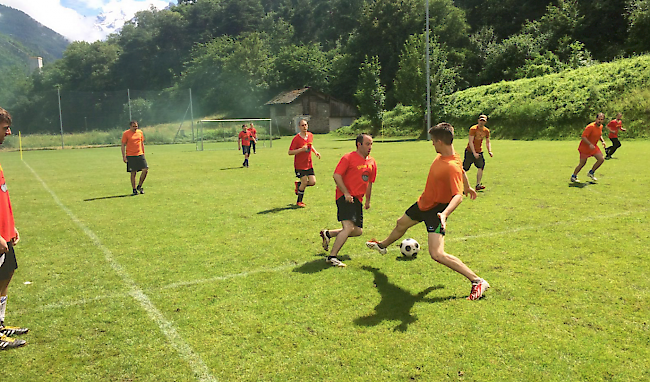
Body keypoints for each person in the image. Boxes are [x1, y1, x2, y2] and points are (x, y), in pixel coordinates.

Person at [365, 122, 490, 300]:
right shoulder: (451, 157)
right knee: (401, 223)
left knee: (437, 254)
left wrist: (445, 214)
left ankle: (477, 281)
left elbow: (457, 196)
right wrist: (469, 186)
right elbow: (462, 170)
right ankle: (382, 246)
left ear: (440, 141)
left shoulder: (450, 166)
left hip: (436, 211)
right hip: (424, 203)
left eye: (433, 140)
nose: (432, 144)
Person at [319, 133, 377, 267]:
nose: (370, 147)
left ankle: (328, 234)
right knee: (348, 226)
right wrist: (345, 193)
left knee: (357, 231)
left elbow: (369, 182)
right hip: (345, 197)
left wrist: (367, 200)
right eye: (367, 144)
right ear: (359, 144)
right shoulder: (348, 158)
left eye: (371, 144)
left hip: (358, 199)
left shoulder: (372, 162)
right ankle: (332, 257)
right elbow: (336, 175)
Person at [0, 107, 29, 350]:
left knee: (6, 273)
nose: (9, 132)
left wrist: (11, 226)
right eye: (4, 128)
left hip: (5, 232)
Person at [288, 119, 321, 208]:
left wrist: (315, 152)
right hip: (299, 165)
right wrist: (301, 150)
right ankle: (299, 201)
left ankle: (298, 185)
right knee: (304, 181)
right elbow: (290, 152)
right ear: (299, 127)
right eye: (302, 125)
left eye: (305, 125)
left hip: (308, 164)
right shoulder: (296, 139)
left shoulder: (310, 135)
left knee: (313, 182)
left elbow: (310, 145)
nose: (304, 127)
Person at [571, 113, 607, 182]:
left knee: (601, 159)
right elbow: (583, 136)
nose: (600, 121)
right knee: (582, 163)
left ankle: (591, 172)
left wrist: (603, 141)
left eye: (601, 119)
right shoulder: (590, 126)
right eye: (599, 119)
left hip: (593, 147)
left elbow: (599, 135)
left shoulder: (601, 126)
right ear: (596, 119)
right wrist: (589, 144)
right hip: (585, 148)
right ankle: (573, 176)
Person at [463, 114, 493, 190]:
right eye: (481, 120)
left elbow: (487, 141)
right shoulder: (473, 129)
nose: (481, 122)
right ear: (478, 120)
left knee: (481, 166)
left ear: (485, 122)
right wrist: (474, 153)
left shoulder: (486, 131)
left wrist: (489, 151)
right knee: (464, 169)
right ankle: (461, 185)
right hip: (470, 151)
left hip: (479, 151)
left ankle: (478, 185)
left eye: (483, 121)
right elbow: (470, 141)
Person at [121, 121, 148, 195]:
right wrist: (124, 156)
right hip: (131, 155)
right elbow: (123, 145)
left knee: (145, 170)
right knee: (133, 173)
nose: (135, 128)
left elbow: (141, 143)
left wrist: (143, 152)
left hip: (140, 154)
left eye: (136, 126)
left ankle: (139, 186)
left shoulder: (140, 132)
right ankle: (134, 189)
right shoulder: (126, 134)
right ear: (130, 126)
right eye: (133, 126)